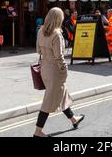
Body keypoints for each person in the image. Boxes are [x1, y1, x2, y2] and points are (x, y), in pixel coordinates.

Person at [34, 7, 85, 137]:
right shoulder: (57, 34)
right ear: (59, 18)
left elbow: (38, 50)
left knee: (61, 94)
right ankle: (37, 132)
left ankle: (74, 119)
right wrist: (64, 69)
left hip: (45, 68)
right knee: (48, 101)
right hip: (55, 70)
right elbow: (59, 56)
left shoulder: (41, 30)